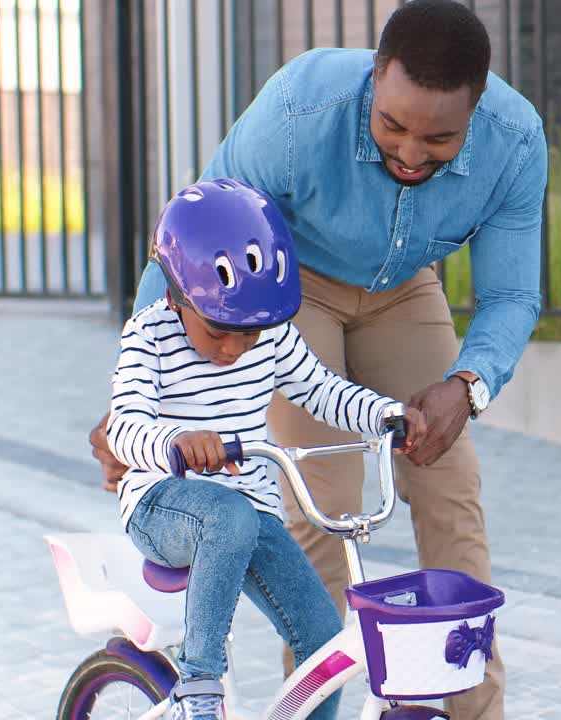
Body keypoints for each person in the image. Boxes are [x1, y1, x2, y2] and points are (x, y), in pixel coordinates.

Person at [90, 2, 547, 717]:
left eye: (439, 139)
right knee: (320, 495)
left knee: (448, 484)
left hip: (402, 289)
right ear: (375, 77)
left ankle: (474, 711)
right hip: (290, 291)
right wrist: (135, 402)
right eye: (393, 125)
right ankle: (316, 707)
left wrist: (468, 384)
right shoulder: (302, 108)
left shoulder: (515, 142)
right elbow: (192, 239)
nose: (410, 153)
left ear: (478, 108)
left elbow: (514, 294)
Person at [107, 178, 426, 720]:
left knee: (324, 636)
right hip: (163, 502)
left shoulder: (269, 332)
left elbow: (319, 388)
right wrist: (175, 443)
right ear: (175, 297)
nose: (234, 347)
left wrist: (384, 414)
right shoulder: (149, 333)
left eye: (248, 334)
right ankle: (198, 683)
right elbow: (124, 427)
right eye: (216, 331)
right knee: (227, 516)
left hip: (249, 511)